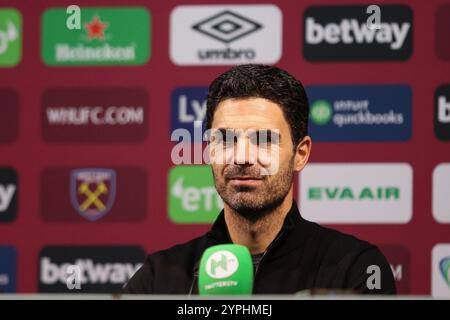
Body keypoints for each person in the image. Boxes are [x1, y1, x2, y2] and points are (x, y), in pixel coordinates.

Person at [123, 64, 396, 294]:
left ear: (300, 154)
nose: (241, 157)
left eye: (263, 140)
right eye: (226, 139)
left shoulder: (354, 269)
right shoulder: (158, 279)